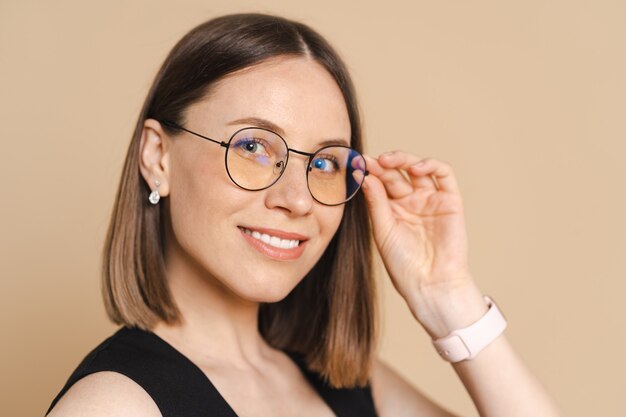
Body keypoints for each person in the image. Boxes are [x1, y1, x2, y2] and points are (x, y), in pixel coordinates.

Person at [46, 13, 563, 417]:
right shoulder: (115, 405)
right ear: (158, 158)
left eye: (323, 162)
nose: (297, 199)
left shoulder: (347, 386)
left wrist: (448, 298)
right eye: (253, 146)